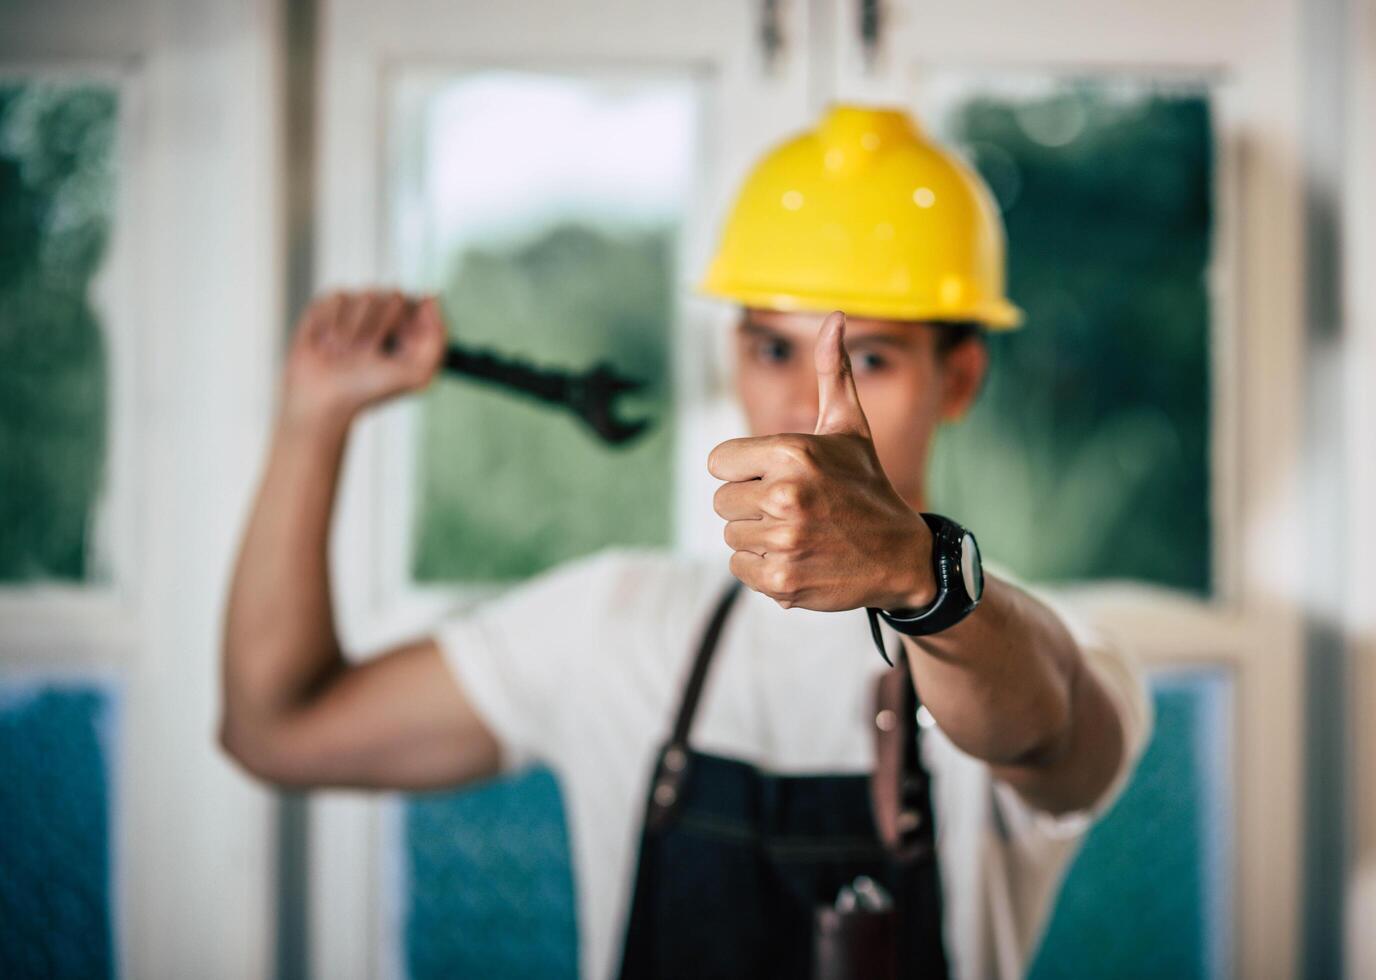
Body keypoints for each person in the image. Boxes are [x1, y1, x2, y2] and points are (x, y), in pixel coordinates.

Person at [221, 105, 1152, 980]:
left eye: (865, 357)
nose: (806, 407)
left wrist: (921, 575)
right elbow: (279, 729)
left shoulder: (1034, 644)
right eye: (771, 349)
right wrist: (313, 420)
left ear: (958, 380)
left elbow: (1045, 731)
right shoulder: (617, 626)